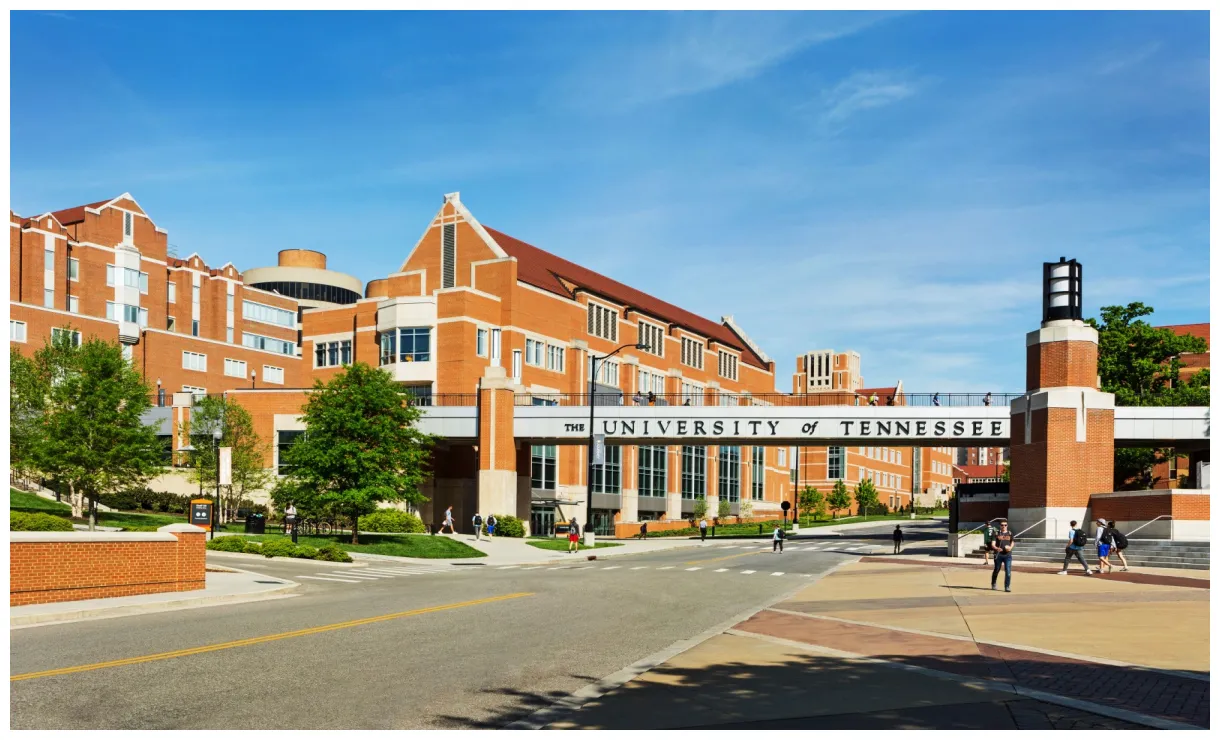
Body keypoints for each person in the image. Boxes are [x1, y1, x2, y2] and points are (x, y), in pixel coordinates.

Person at [990, 519, 1014, 592]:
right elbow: (993, 544)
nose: (1004, 526)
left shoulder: (1010, 533)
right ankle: (993, 583)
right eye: (1002, 525)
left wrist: (1010, 547)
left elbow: (1012, 542)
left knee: (1008, 571)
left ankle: (1007, 586)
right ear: (1000, 526)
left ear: (1007, 526)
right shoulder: (996, 533)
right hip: (998, 555)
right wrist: (996, 548)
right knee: (997, 570)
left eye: (1005, 525)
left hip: (1007, 555)